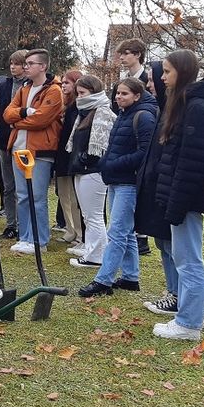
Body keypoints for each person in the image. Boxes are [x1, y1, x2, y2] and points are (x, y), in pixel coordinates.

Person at [143, 50, 204, 341]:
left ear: (183, 72)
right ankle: (186, 318)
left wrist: (177, 204)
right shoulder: (183, 104)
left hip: (187, 198)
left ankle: (189, 323)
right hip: (178, 195)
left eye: (167, 72)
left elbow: (192, 162)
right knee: (183, 258)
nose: (162, 77)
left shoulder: (197, 109)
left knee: (189, 261)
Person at [77, 78, 158, 296]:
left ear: (137, 96)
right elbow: (114, 147)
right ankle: (131, 277)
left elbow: (144, 153)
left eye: (124, 94)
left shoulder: (144, 117)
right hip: (115, 178)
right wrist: (106, 164)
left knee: (117, 232)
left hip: (128, 182)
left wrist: (112, 164)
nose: (119, 97)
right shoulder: (124, 115)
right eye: (117, 93)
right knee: (126, 231)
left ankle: (103, 280)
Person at [4, 49, 63, 254]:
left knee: (36, 196)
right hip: (18, 149)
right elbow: (7, 113)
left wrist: (17, 124)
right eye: (25, 63)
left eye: (30, 63)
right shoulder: (24, 89)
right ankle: (25, 236)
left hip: (40, 152)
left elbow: (42, 119)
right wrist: (22, 112)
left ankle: (39, 240)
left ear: (43, 66)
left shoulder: (54, 90)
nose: (25, 66)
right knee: (22, 195)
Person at [63, 76, 117, 268]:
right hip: (81, 168)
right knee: (87, 214)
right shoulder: (84, 113)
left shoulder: (102, 112)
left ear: (93, 92)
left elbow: (100, 146)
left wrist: (85, 159)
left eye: (83, 93)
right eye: (78, 93)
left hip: (92, 171)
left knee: (93, 215)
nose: (79, 97)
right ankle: (92, 251)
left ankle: (97, 256)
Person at [139, 61, 177, 314]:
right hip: (157, 188)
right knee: (163, 245)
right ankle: (171, 290)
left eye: (159, 76)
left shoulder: (178, 112)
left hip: (170, 190)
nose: (154, 83)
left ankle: (177, 295)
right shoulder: (163, 109)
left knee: (175, 248)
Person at [116, 38, 153, 256]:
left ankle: (142, 237)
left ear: (138, 54)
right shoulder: (125, 79)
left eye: (126, 53)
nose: (122, 57)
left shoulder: (146, 78)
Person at [0, 51, 26, 239]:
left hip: (24, 141)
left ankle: (24, 225)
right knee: (8, 185)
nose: (13, 67)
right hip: (4, 140)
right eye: (11, 63)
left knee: (23, 187)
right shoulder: (5, 85)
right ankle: (11, 224)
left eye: (17, 64)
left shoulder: (31, 86)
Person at [55, 70, 84, 250]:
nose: (63, 86)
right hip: (61, 154)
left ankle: (80, 233)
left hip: (72, 155)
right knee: (63, 194)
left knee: (74, 197)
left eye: (67, 82)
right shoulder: (65, 104)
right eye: (62, 83)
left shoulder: (78, 106)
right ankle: (70, 229)